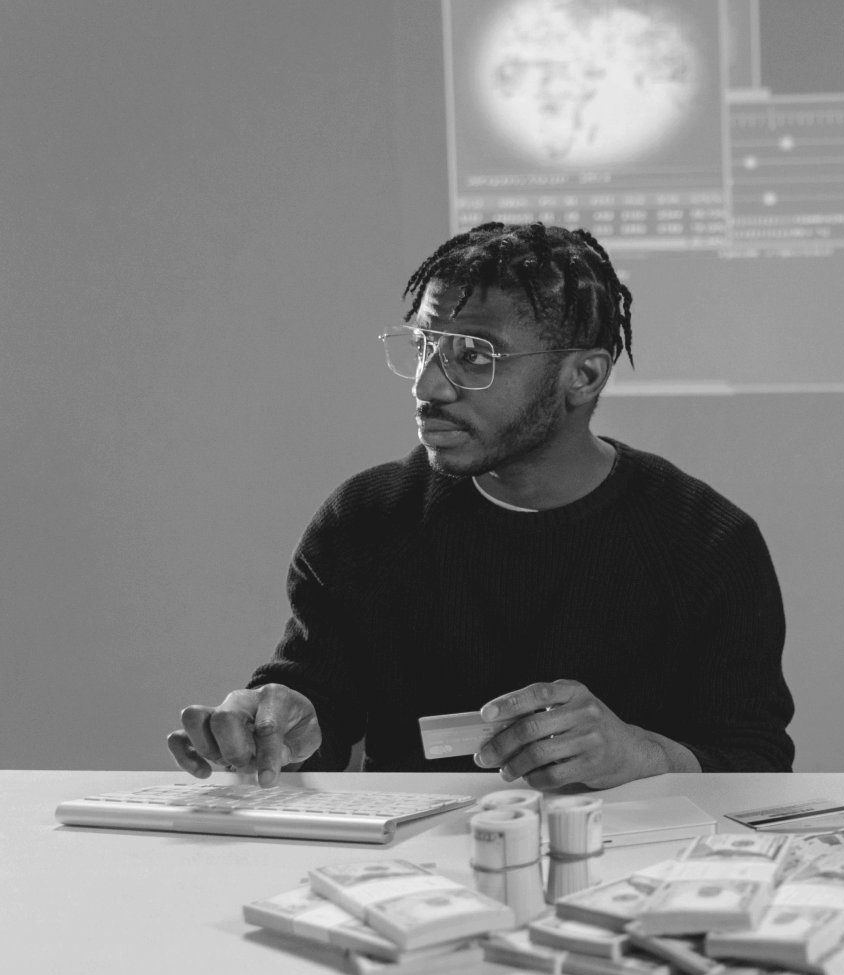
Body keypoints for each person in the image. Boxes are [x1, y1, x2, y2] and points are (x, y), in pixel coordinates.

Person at [166, 222, 795, 789]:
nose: (429, 385)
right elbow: (318, 702)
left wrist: (646, 756)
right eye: (423, 347)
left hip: (635, 873)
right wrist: (283, 723)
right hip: (410, 877)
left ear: (584, 376)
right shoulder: (368, 519)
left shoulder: (706, 542)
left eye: (475, 355)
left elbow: (755, 761)